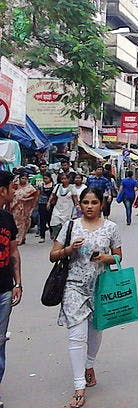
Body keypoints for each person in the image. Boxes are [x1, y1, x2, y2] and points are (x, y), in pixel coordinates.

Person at [50, 187, 122, 408]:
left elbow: (119, 256)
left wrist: (106, 257)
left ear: (102, 204)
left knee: (95, 330)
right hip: (73, 287)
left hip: (100, 287)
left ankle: (89, 363)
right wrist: (69, 249)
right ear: (79, 204)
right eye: (85, 202)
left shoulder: (112, 228)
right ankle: (79, 387)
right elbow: (53, 255)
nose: (89, 206)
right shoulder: (70, 226)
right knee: (76, 335)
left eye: (94, 202)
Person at [0, 170, 23, 407]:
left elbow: (14, 251)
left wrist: (18, 283)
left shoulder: (6, 218)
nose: (14, 191)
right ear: (2, 191)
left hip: (4, 291)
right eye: (12, 187)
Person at [8, 172, 39, 246]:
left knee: (22, 224)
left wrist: (26, 199)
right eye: (22, 178)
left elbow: (35, 196)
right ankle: (15, 238)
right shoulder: (15, 186)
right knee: (14, 223)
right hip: (14, 207)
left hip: (24, 209)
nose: (23, 180)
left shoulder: (30, 188)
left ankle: (20, 239)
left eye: (25, 178)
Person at [36, 173, 55, 243]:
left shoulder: (54, 185)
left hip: (51, 204)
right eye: (44, 178)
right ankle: (42, 236)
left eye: (46, 178)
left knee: (51, 219)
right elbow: (38, 194)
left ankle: (52, 233)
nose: (45, 180)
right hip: (42, 203)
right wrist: (36, 203)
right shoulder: (41, 185)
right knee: (42, 220)